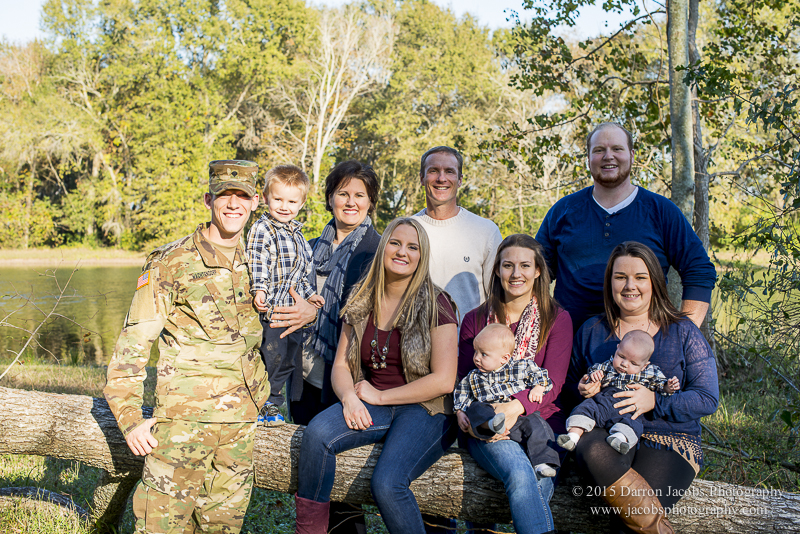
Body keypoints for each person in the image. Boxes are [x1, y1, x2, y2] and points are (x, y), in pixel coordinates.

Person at [104, 160, 269, 533]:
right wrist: (130, 419)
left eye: (242, 196)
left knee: (222, 528)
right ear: (208, 200)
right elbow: (133, 344)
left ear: (255, 201)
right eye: (224, 195)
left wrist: (308, 308)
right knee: (161, 528)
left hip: (240, 425)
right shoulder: (171, 262)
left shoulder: (260, 260)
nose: (233, 204)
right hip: (182, 426)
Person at [294, 217, 459, 534]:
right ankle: (310, 530)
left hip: (427, 410)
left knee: (387, 483)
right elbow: (341, 365)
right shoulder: (361, 296)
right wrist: (349, 398)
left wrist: (379, 396)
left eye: (412, 247)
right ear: (383, 247)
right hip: (372, 402)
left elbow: (444, 380)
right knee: (317, 434)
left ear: (422, 256)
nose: (402, 252)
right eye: (395, 243)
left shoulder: (437, 303)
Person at [565, 241, 719, 534]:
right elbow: (568, 387)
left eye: (640, 277)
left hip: (668, 438)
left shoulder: (682, 331)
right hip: (607, 430)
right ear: (610, 282)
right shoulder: (592, 331)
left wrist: (655, 402)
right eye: (620, 277)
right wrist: (584, 389)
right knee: (591, 449)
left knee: (624, 526)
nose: (629, 286)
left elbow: (707, 397)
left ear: (655, 282)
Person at [535, 122, 717, 331]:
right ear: (588, 158)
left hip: (644, 346)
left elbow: (699, 270)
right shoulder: (563, 211)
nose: (608, 156)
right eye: (599, 150)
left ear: (631, 155)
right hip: (571, 343)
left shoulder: (661, 211)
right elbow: (533, 273)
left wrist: (684, 335)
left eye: (617, 149)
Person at [283, 160, 382, 533]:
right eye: (343, 193)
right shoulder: (308, 248)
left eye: (360, 195)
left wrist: (315, 313)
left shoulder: (377, 252)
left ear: (370, 202)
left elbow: (371, 317)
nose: (351, 202)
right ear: (329, 198)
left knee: (343, 477)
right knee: (311, 468)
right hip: (304, 373)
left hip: (346, 377)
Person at [458, 234, 573, 534]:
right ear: (497, 270)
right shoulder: (475, 320)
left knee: (541, 479)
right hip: (488, 420)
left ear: (538, 271)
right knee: (520, 472)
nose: (516, 273)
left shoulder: (557, 319)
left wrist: (514, 407)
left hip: (541, 420)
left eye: (525, 265)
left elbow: (553, 382)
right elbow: (464, 379)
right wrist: (469, 413)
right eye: (508, 265)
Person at [246, 165, 324, 426]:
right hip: (273, 312)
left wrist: (311, 296)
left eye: (291, 201)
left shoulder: (299, 237)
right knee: (272, 359)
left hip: (293, 316)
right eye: (278, 199)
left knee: (289, 362)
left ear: (301, 203)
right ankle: (265, 403)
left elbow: (303, 272)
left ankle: (273, 400)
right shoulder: (263, 229)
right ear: (265, 198)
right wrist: (259, 288)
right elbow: (257, 260)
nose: (284, 206)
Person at [454, 323, 560, 477]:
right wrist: (459, 412)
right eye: (475, 351)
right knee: (476, 408)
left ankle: (543, 461)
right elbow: (461, 393)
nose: (476, 358)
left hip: (516, 419)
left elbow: (542, 375)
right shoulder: (473, 377)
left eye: (484, 354)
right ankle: (491, 425)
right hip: (487, 417)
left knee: (538, 424)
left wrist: (538, 387)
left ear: (504, 358)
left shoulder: (520, 367)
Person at [414, 145, 502, 319]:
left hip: (470, 336)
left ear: (460, 180)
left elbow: (498, 298)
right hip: (414, 336)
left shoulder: (485, 231)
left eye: (449, 171)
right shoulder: (406, 230)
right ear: (422, 178)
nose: (441, 178)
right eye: (433, 171)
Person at [557, 330, 679, 455]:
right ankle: (573, 437)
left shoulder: (650, 372)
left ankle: (619, 439)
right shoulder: (607, 366)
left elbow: (661, 387)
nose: (624, 364)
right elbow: (592, 372)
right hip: (602, 402)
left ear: (644, 366)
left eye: (633, 363)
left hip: (628, 410)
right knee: (585, 408)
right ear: (617, 348)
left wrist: (668, 387)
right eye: (621, 356)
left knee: (633, 424)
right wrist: (594, 376)